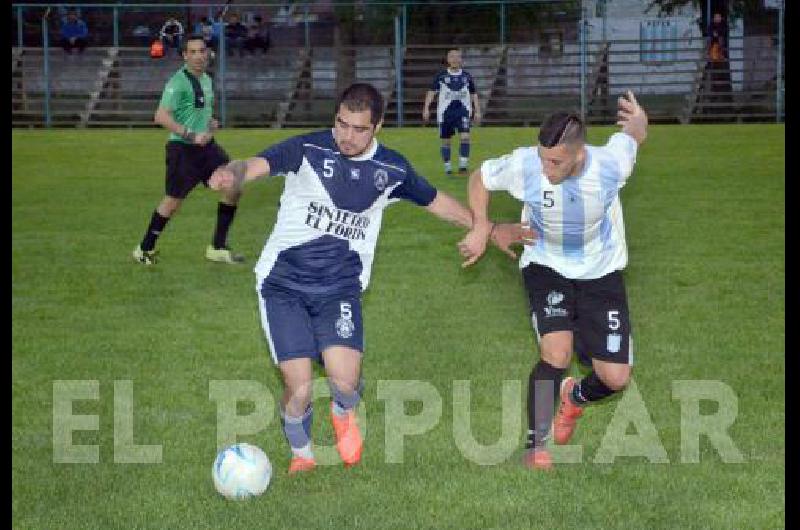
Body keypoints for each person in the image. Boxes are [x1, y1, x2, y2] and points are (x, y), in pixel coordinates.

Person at [208, 83, 531, 474]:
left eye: (359, 129)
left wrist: (490, 229)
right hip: (283, 285)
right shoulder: (308, 149)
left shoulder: (391, 169)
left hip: (340, 286)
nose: (346, 136)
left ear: (376, 126)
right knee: (301, 388)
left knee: (345, 383)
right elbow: (255, 165)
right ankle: (303, 455)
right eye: (341, 124)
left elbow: (437, 203)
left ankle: (344, 413)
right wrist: (231, 172)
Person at [458, 91, 649, 471]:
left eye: (556, 162)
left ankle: (574, 397)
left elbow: (634, 136)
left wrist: (638, 120)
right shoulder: (527, 164)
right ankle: (536, 447)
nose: (546, 168)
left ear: (579, 154)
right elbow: (481, 177)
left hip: (602, 273)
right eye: (543, 158)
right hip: (546, 265)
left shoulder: (610, 166)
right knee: (556, 352)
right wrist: (483, 225)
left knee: (615, 378)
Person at [133, 35, 244, 266]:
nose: (198, 56)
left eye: (201, 51)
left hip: (207, 149)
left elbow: (200, 109)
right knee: (173, 202)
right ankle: (144, 248)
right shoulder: (177, 82)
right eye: (192, 52)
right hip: (182, 149)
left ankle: (217, 247)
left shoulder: (206, 79)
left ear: (208, 53)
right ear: (184, 56)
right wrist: (192, 134)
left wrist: (210, 122)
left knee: (233, 184)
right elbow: (160, 116)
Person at [422, 49, 481, 175]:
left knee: (465, 137)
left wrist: (477, 111)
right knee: (446, 141)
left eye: (457, 57)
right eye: (452, 57)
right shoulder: (441, 76)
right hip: (445, 113)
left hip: (462, 111)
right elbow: (431, 92)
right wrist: (426, 108)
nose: (454, 59)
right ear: (448, 60)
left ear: (461, 60)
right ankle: (448, 167)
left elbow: (473, 94)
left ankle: (463, 167)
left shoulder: (466, 76)